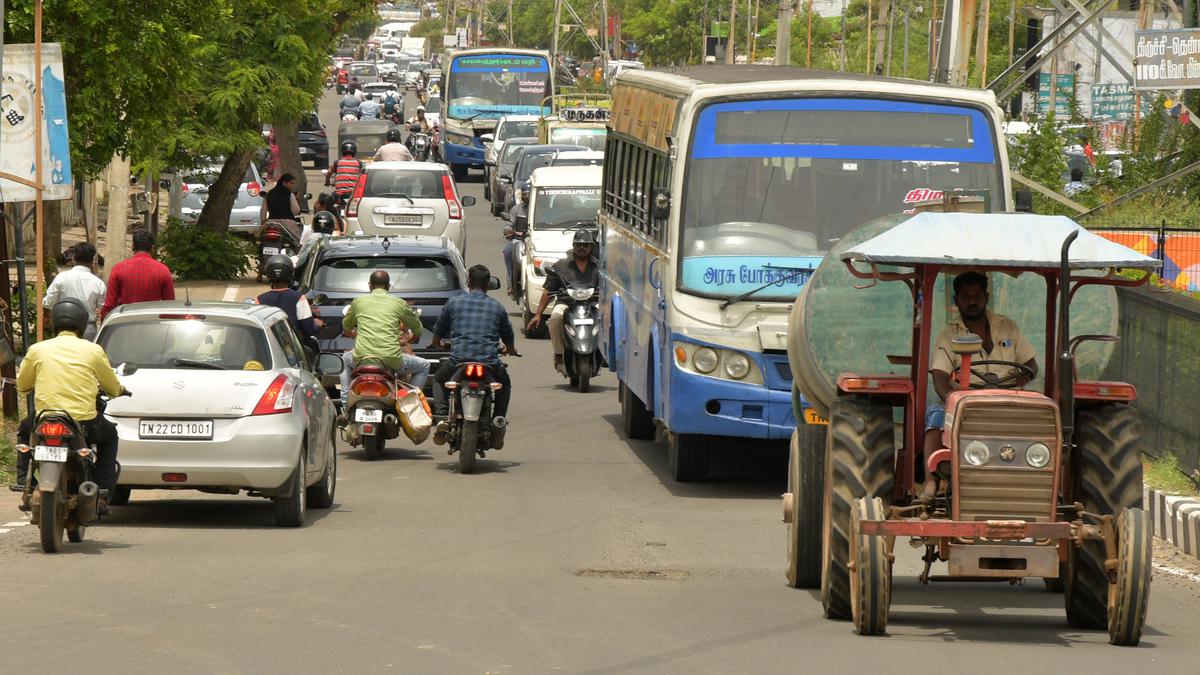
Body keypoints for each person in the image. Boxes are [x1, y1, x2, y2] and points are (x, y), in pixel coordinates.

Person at [924, 272, 1038, 493]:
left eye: (977, 295)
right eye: (966, 297)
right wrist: (956, 401)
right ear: (956, 300)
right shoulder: (949, 335)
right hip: (966, 400)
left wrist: (1019, 380)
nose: (972, 301)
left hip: (1007, 397)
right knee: (936, 416)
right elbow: (939, 378)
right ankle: (931, 482)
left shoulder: (1007, 327)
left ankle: (1038, 476)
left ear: (986, 297)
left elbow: (1031, 365)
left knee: (1040, 420)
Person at [17, 299, 128, 512]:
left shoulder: (37, 349)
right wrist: (118, 391)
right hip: (83, 422)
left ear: (55, 322)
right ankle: (102, 493)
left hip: (44, 418)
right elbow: (112, 386)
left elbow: (23, 384)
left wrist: (25, 389)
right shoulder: (92, 350)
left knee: (24, 433)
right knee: (109, 437)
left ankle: (24, 482)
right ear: (81, 323)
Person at [430, 265, 518, 426]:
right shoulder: (497, 307)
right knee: (504, 384)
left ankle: (442, 418)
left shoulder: (454, 302)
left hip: (458, 362)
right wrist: (510, 350)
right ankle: (499, 418)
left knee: (438, 379)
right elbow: (508, 334)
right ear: (487, 285)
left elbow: (439, 328)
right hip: (489, 364)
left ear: (468, 282)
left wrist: (436, 343)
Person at [339, 270, 431, 411]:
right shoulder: (399, 303)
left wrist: (351, 332)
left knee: (344, 360)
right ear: (388, 286)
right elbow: (418, 329)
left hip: (361, 358)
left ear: (369, 285)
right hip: (392, 360)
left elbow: (346, 326)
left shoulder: (358, 302)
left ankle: (345, 405)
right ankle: (408, 404)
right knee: (424, 365)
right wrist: (414, 336)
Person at [527, 229, 599, 373]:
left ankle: (603, 351)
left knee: (606, 317)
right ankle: (559, 355)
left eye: (586, 245)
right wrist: (538, 314)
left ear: (591, 247)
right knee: (555, 317)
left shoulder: (600, 266)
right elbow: (548, 291)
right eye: (578, 245)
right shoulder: (560, 266)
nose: (582, 248)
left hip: (592, 305)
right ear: (573, 245)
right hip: (567, 304)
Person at [98, 229, 175, 322]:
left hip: (124, 324)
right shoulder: (163, 270)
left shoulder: (118, 269)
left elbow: (110, 305)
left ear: (132, 247)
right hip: (152, 324)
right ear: (152, 248)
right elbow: (170, 304)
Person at [43, 242, 106, 340]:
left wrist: (47, 316)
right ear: (93, 260)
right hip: (87, 330)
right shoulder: (98, 283)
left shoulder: (62, 277)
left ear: (73, 257)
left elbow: (49, 302)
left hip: (63, 329)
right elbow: (102, 309)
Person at [258, 256, 322, 339]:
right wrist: (318, 324)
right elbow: (308, 330)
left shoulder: (259, 299)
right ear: (290, 273)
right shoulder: (299, 298)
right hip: (291, 346)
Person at [501, 188, 530, 293]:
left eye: (528, 194)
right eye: (524, 194)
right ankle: (512, 282)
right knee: (508, 251)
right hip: (519, 240)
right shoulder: (517, 209)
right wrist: (509, 230)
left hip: (536, 240)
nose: (526, 197)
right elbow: (509, 224)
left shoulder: (543, 208)